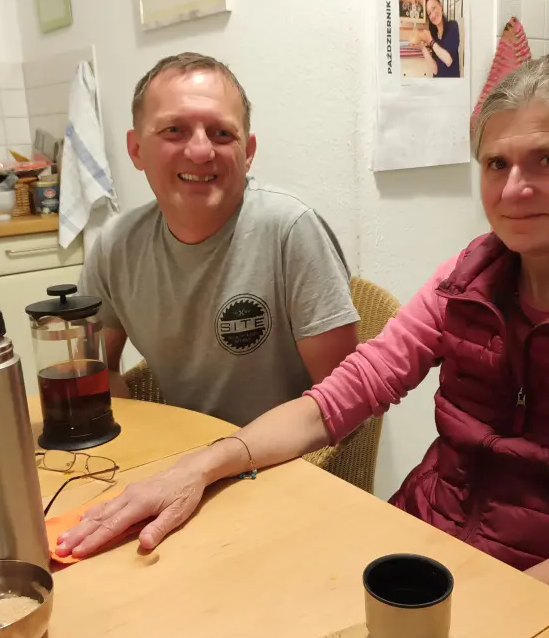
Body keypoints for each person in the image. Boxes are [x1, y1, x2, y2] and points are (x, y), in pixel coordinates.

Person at [58, 55, 549, 631]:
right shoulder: (472, 274)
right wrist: (200, 467)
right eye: (496, 163)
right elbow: (338, 398)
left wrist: (459, 619)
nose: (514, 189)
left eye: (546, 160)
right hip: (423, 545)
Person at [78, 53, 359, 427]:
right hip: (183, 457)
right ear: (136, 149)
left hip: (289, 464)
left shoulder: (291, 231)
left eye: (222, 133)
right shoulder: (116, 244)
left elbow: (343, 401)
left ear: (249, 153)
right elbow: (97, 370)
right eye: (173, 130)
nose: (200, 151)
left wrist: (220, 460)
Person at [420, 0, 461, 78]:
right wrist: (422, 48)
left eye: (434, 8)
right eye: (429, 13)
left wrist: (430, 41)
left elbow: (448, 61)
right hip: (438, 86)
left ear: (441, 6)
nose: (433, 15)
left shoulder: (453, 26)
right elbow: (435, 70)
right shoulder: (434, 37)